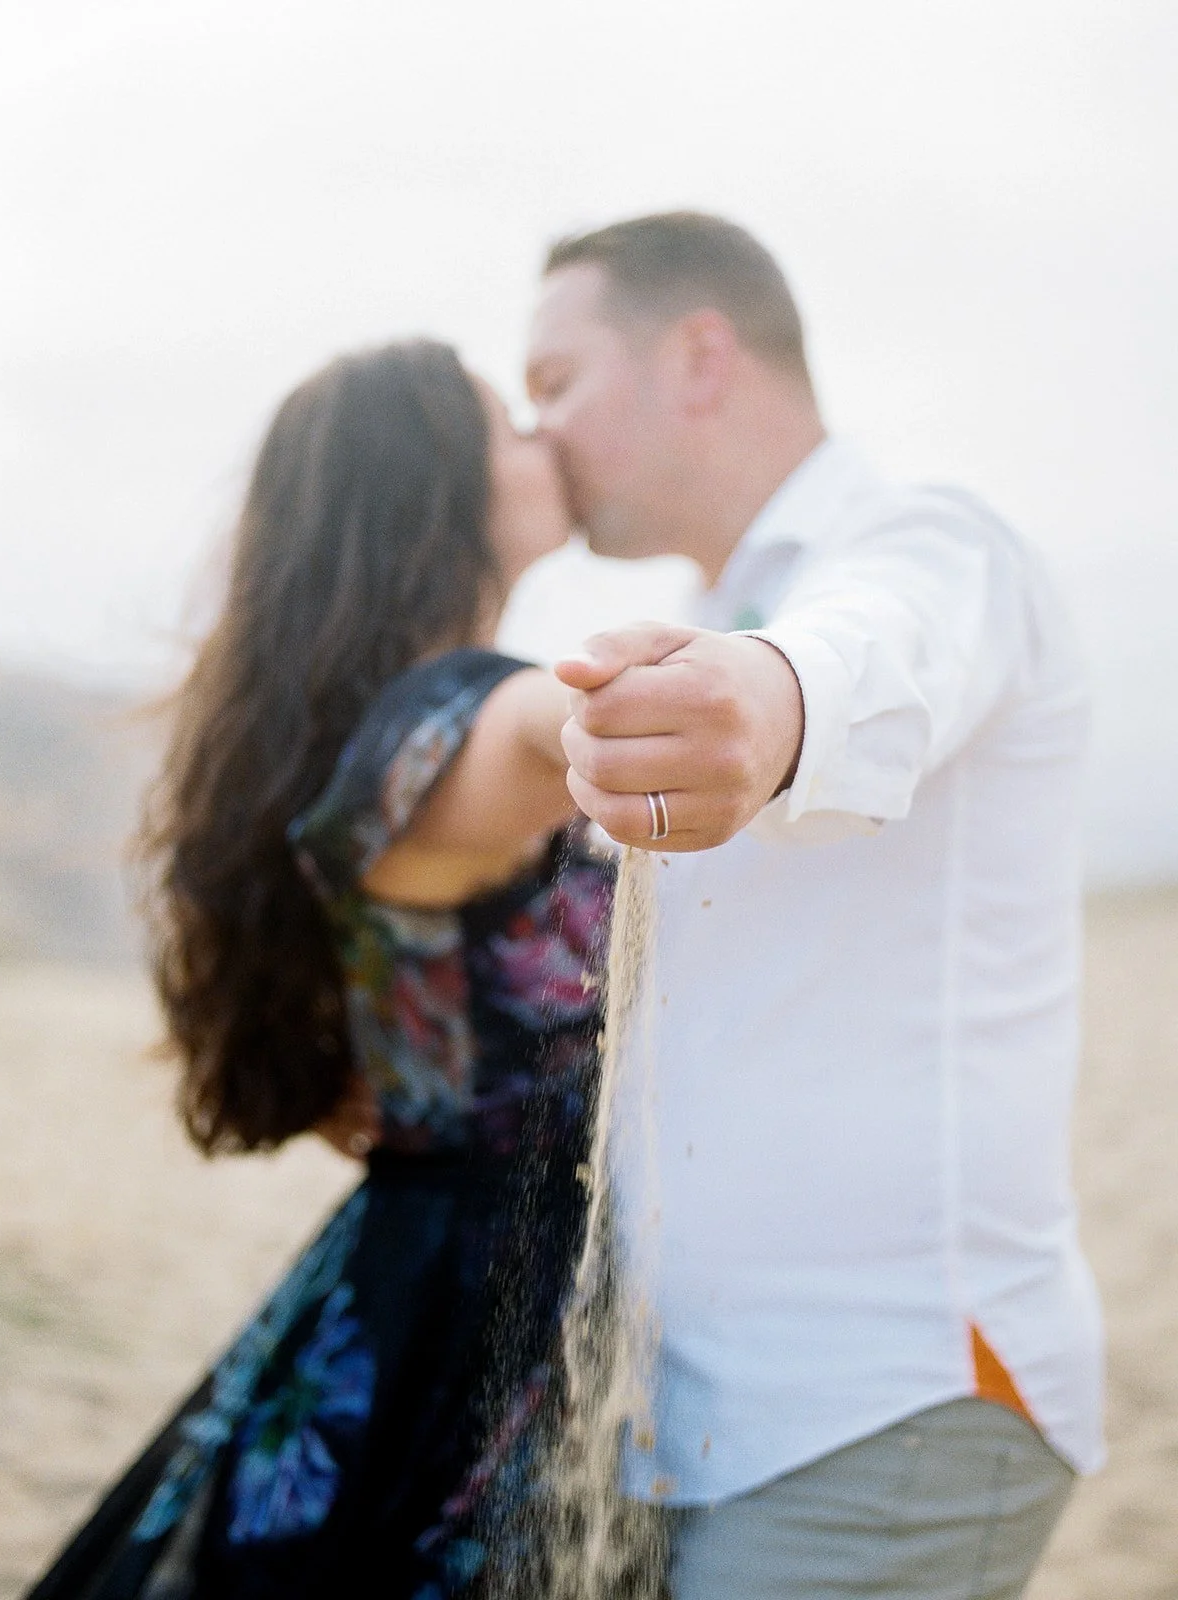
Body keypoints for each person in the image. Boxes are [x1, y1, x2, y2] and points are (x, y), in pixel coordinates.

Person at [523, 212, 1102, 1599]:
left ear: (700, 356)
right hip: (695, 1423)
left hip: (886, 1402)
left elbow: (875, 647)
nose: (540, 436)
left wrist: (775, 705)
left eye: (558, 384)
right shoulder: (701, 611)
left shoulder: (929, 541)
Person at [26, 341, 614, 1599]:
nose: (543, 437)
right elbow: (547, 725)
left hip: (416, 1265)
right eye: (508, 422)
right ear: (434, 487)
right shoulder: (461, 718)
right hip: (480, 1303)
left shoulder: (382, 722)